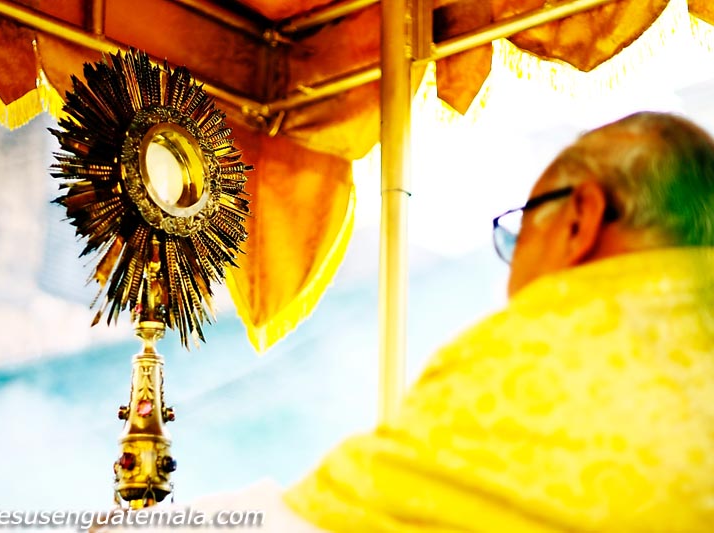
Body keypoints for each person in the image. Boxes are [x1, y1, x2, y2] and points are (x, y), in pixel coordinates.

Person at [101, 111, 714, 531]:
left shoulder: (542, 354)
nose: (511, 281)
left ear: (580, 219)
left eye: (522, 232)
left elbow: (314, 525)